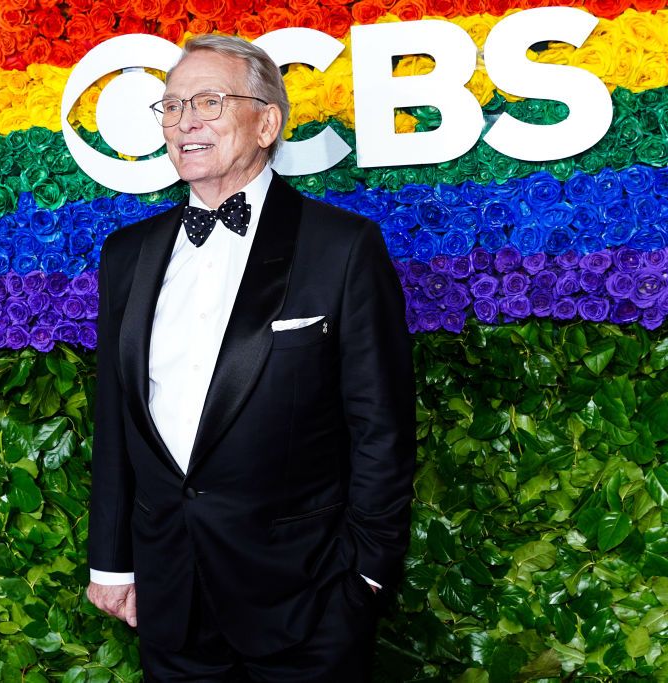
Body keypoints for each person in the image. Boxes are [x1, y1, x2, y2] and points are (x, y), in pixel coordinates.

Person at [86, 34, 415, 682]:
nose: (185, 121)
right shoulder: (127, 254)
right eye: (172, 105)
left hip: (307, 600)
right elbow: (116, 418)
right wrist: (111, 560)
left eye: (208, 101)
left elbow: (381, 426)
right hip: (169, 601)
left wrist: (367, 575)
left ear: (267, 122)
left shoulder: (342, 247)